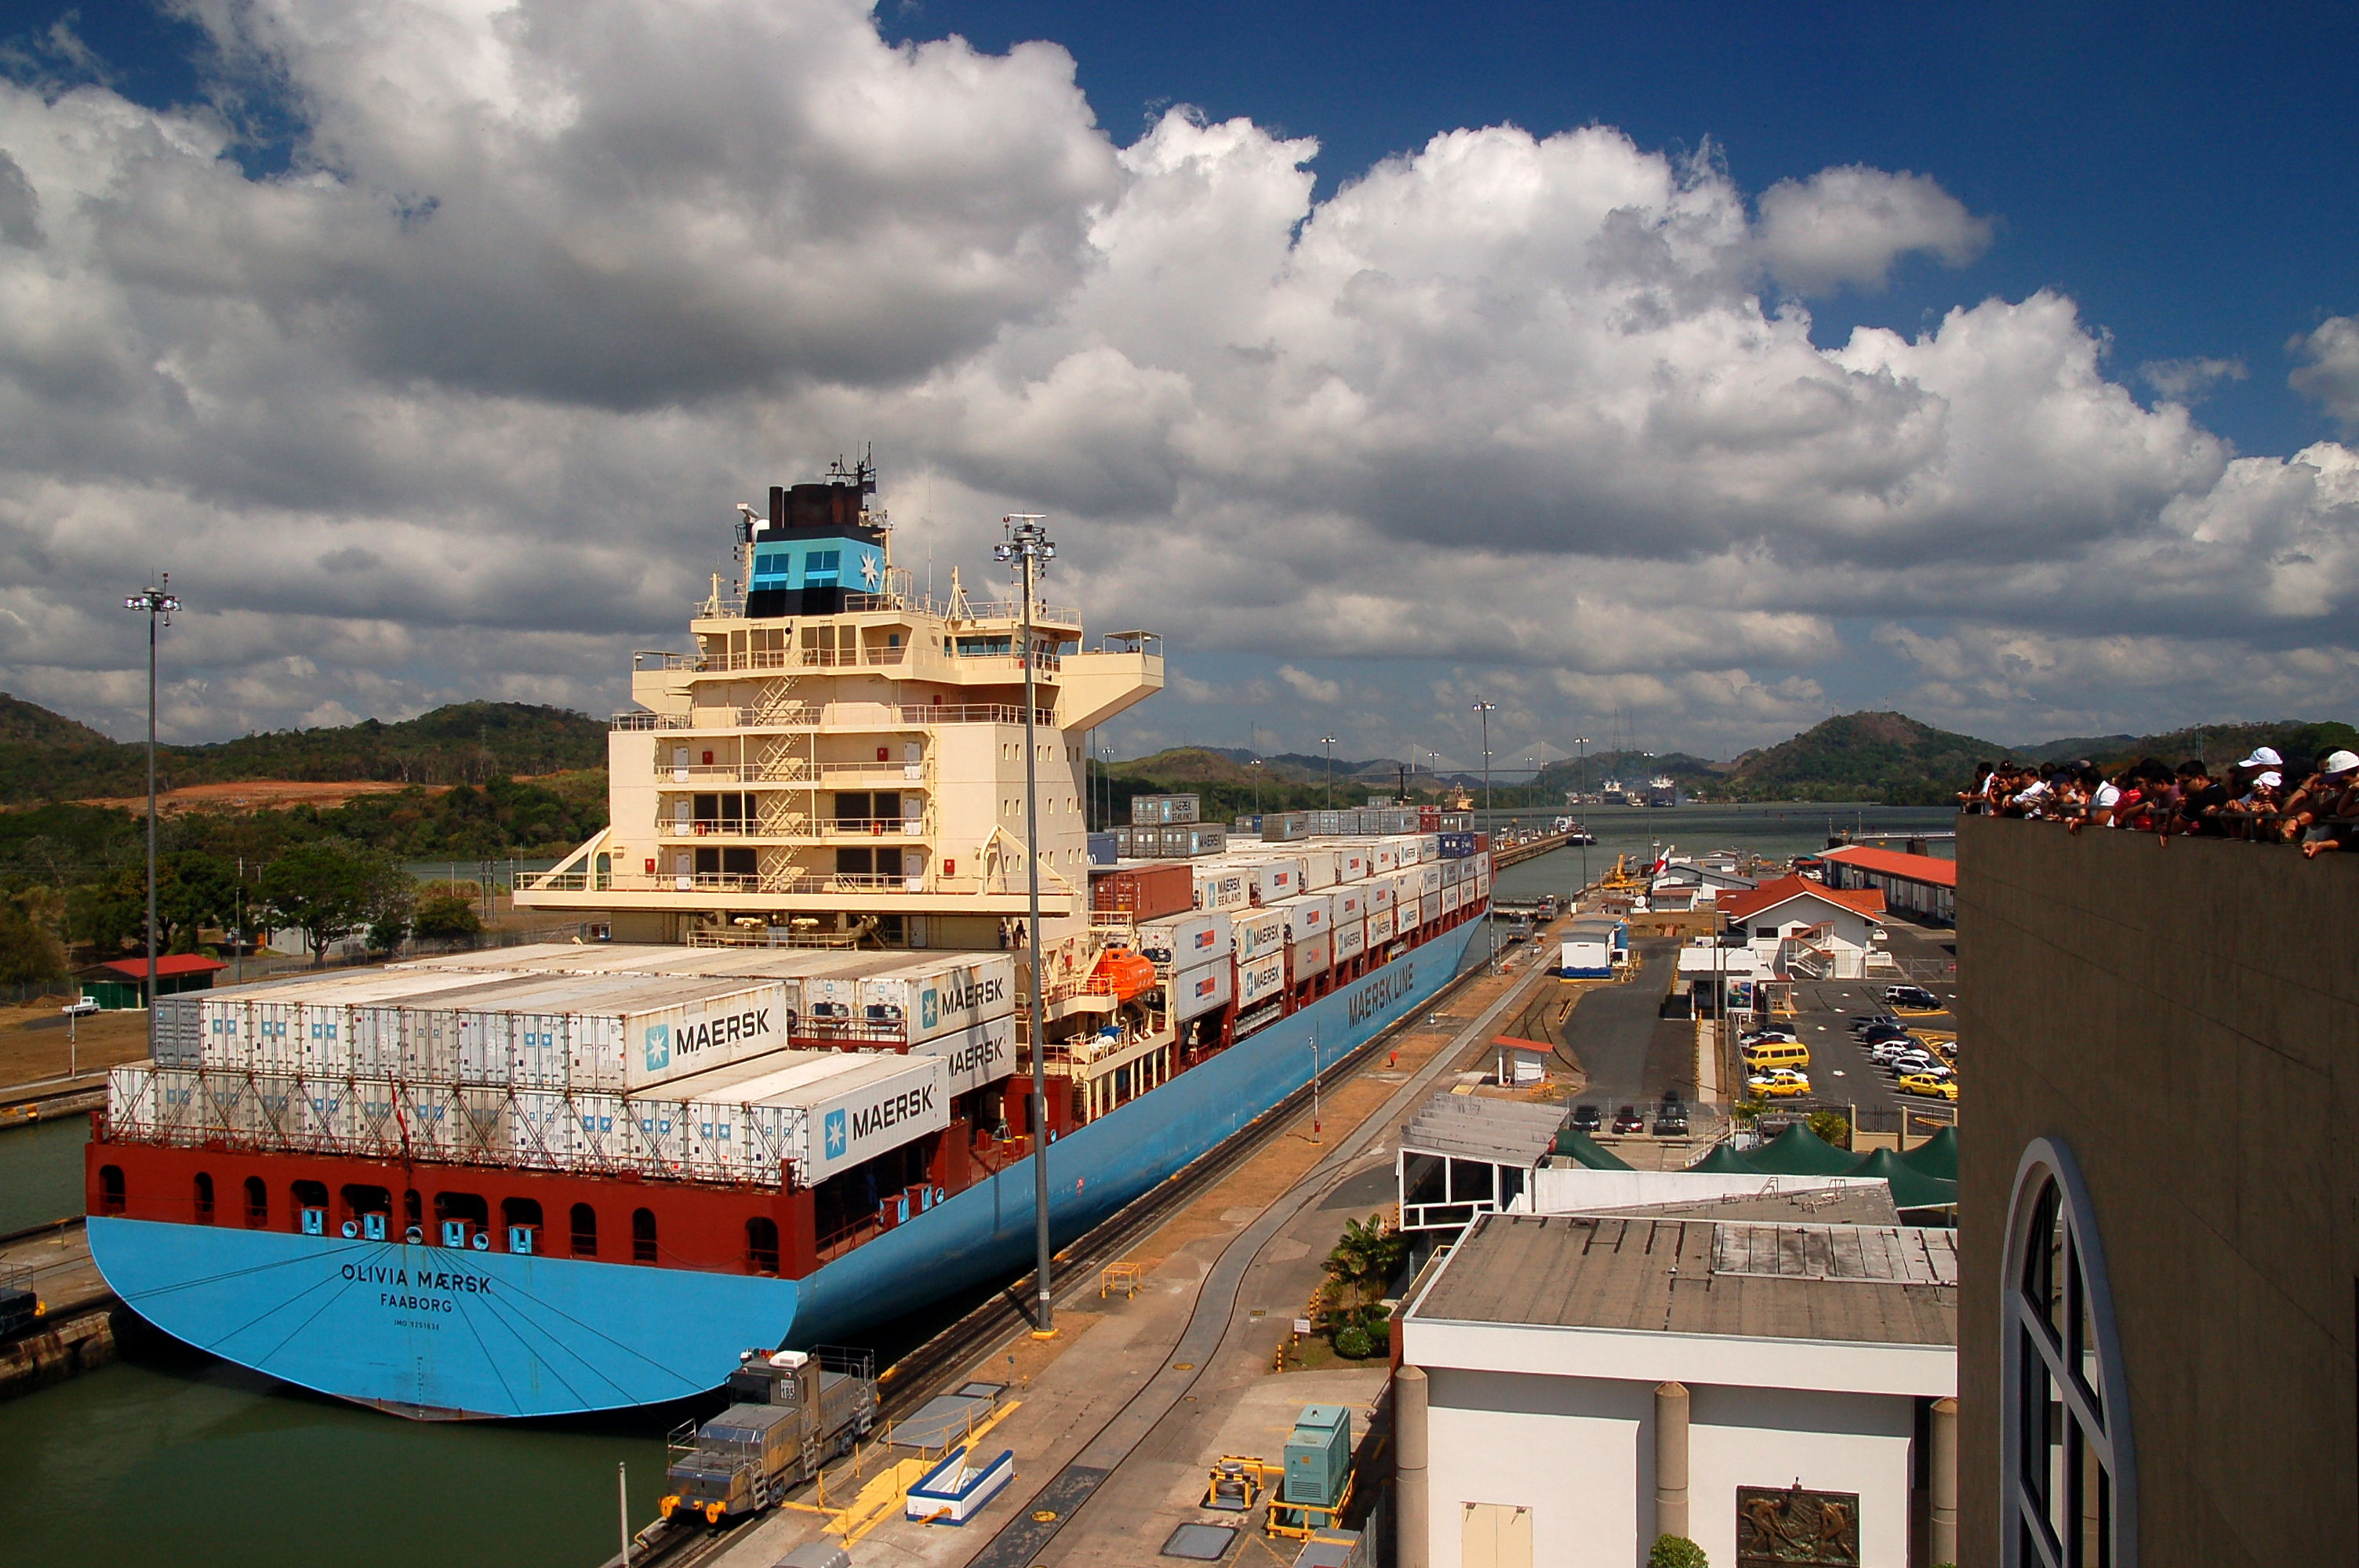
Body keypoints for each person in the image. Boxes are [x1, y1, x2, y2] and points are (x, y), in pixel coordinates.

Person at [2295, 750, 2359, 856]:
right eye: (2333, 783)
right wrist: (2295, 820)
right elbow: (2334, 809)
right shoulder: (2351, 793)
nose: (2336, 787)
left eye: (2341, 782)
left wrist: (2321, 846)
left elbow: (2356, 836)